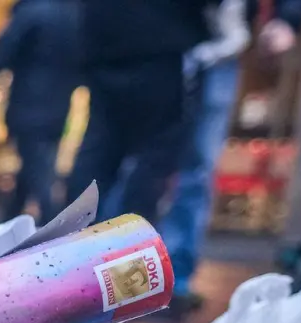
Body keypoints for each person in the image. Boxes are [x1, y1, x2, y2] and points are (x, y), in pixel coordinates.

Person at [152, 0, 301, 309]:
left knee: (195, 167)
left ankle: (169, 278)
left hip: (219, 48)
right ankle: (122, 271)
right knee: (151, 160)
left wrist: (287, 19)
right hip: (163, 44)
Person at [65, 0, 219, 224]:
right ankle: (128, 245)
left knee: (99, 152)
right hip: (161, 46)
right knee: (154, 157)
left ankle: (73, 241)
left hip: (104, 45)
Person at [0, 0, 83, 223]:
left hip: (28, 107)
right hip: (58, 108)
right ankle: (8, 223)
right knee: (32, 169)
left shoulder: (31, 13)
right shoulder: (73, 14)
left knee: (39, 176)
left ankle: (61, 231)